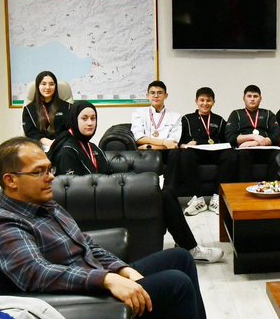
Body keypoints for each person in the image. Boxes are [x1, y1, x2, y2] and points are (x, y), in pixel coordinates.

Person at [0, 137, 243, 319]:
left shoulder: (46, 205)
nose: (50, 177)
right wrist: (106, 280)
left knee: (180, 258)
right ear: (11, 180)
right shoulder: (5, 224)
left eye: (49, 169)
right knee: (176, 284)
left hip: (97, 282)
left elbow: (85, 243)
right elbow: (35, 274)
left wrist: (122, 269)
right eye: (38, 172)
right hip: (80, 302)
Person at [48, 102, 225, 263]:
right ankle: (190, 248)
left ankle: (186, 244)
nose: (90, 123)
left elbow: (107, 173)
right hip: (93, 206)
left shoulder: (89, 146)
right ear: (74, 120)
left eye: (93, 118)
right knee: (164, 196)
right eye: (84, 118)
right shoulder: (67, 150)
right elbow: (74, 191)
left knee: (166, 192)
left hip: (103, 197)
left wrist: (134, 181)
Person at [178, 87, 234, 216]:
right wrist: (185, 144)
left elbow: (227, 139)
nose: (205, 103)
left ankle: (217, 197)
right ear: (196, 101)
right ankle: (198, 200)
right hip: (195, 153)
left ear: (213, 102)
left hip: (215, 153)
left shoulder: (219, 120)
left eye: (208, 100)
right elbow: (179, 141)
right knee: (186, 154)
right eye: (202, 100)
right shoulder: (186, 119)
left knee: (231, 154)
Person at [225, 84, 279, 182]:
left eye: (255, 96)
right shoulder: (236, 114)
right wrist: (253, 136)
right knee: (243, 154)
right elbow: (230, 137)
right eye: (249, 96)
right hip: (245, 150)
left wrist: (256, 142)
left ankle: (271, 189)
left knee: (279, 154)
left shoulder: (268, 114)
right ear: (244, 98)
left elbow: (276, 135)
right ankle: (245, 189)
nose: (252, 99)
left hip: (265, 150)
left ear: (260, 98)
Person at [22, 70, 70, 151]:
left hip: (63, 145)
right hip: (39, 146)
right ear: (38, 86)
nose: (47, 87)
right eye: (43, 84)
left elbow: (70, 129)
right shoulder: (29, 109)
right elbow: (30, 132)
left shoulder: (68, 107)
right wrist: (48, 142)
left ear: (55, 86)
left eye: (51, 84)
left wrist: (57, 142)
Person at [131, 80, 182, 150]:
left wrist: (149, 147)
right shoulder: (139, 113)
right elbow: (138, 138)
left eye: (160, 93)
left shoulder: (176, 116)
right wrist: (164, 142)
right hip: (146, 154)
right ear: (147, 96)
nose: (156, 96)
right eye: (152, 93)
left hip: (166, 152)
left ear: (166, 96)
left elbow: (172, 144)